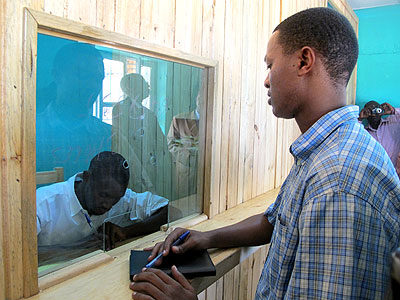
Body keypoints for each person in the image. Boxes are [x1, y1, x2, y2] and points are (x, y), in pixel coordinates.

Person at [129, 7, 400, 300]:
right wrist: (206, 238)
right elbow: (276, 220)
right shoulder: (325, 150)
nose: (266, 80)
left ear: (304, 61)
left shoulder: (338, 181)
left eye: (270, 65)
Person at [36, 151, 169, 250]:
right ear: (86, 178)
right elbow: (20, 256)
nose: (108, 205)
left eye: (115, 199)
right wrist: (78, 247)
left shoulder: (120, 198)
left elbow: (166, 210)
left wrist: (125, 232)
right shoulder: (42, 204)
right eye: (103, 195)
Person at [36, 41, 111, 180]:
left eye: (98, 78)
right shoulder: (32, 132)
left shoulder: (108, 135)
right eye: (83, 76)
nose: (92, 85)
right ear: (57, 75)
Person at [359, 101, 400, 177]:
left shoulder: (393, 121)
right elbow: (352, 134)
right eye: (370, 111)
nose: (374, 114)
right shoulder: (363, 133)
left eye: (377, 110)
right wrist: (360, 118)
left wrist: (393, 111)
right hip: (379, 178)